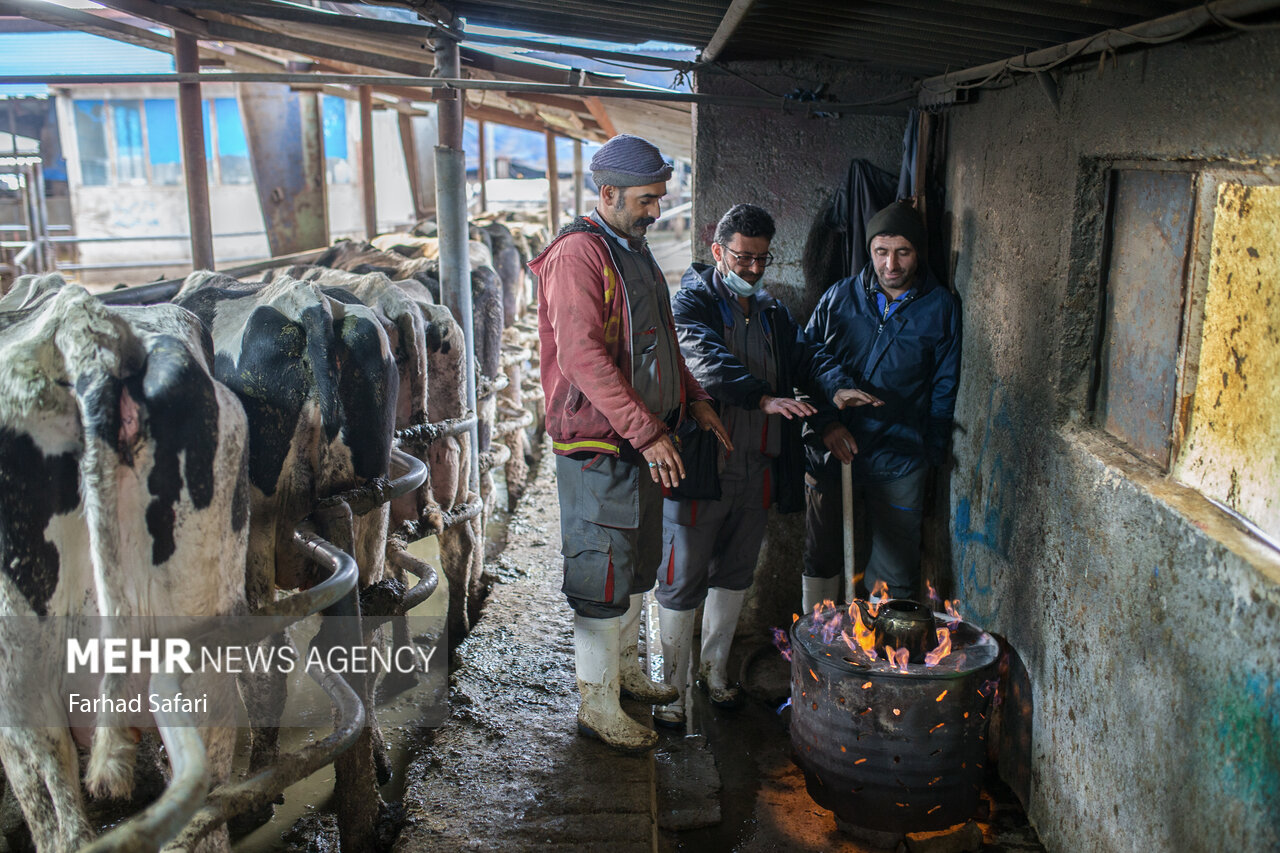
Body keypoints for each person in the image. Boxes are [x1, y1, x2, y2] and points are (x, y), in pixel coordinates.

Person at [528, 134, 732, 753]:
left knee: (634, 562)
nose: (656, 211)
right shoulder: (579, 256)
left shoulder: (633, 250)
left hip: (642, 439)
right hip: (601, 444)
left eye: (659, 199)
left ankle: (625, 673)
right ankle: (596, 701)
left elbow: (662, 340)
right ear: (607, 193)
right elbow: (583, 357)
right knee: (601, 569)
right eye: (646, 200)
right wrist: (646, 430)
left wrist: (692, 396)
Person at [653, 203, 881, 727]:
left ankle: (713, 672)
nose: (754, 269)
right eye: (743, 258)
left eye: (762, 260)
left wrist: (834, 390)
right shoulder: (690, 303)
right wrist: (762, 400)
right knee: (682, 576)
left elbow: (810, 357)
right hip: (702, 464)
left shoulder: (774, 313)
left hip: (756, 465)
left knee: (735, 574)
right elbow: (705, 361)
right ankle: (670, 685)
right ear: (718, 251)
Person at [801, 200, 960, 611]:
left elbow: (944, 384)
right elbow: (804, 360)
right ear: (869, 250)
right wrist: (825, 425)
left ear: (919, 251)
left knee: (894, 570)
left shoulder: (940, 307)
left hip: (901, 455)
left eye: (903, 252)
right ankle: (822, 641)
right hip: (833, 447)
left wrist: (932, 450)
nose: (891, 264)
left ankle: (882, 660)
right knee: (823, 555)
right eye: (881, 251)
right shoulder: (840, 297)